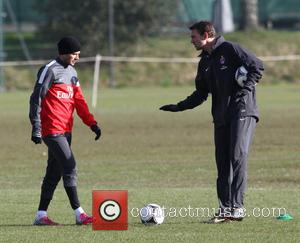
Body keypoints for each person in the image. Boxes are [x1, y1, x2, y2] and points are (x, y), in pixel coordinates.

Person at [160, 21, 264, 223]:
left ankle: (237, 208)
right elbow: (200, 93)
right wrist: (179, 106)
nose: (191, 41)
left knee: (237, 155)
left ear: (206, 34)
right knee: (222, 163)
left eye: (194, 37)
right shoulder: (205, 62)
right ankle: (225, 210)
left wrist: (244, 90)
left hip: (242, 110)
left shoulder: (230, 49)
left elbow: (257, 66)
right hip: (221, 116)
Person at [29, 36, 101, 226]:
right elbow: (36, 98)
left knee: (54, 172)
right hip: (51, 130)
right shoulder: (49, 70)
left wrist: (91, 123)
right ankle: (80, 214)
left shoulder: (72, 73)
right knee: (70, 165)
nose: (77, 57)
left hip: (66, 130)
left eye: (78, 54)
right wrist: (36, 127)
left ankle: (41, 215)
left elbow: (79, 101)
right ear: (64, 53)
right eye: (74, 54)